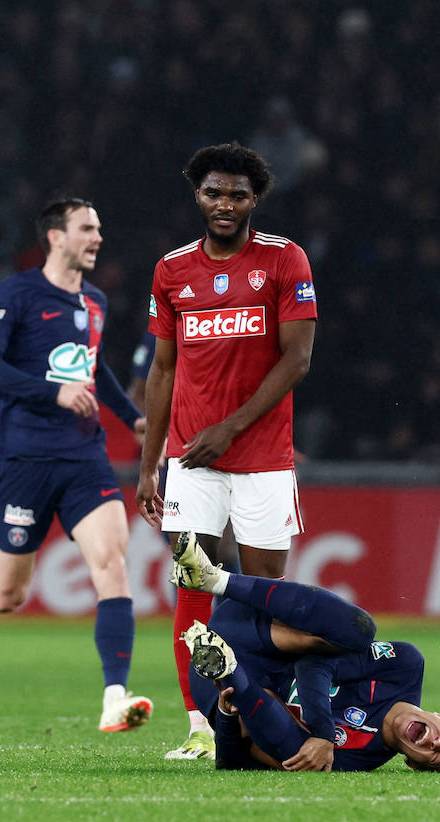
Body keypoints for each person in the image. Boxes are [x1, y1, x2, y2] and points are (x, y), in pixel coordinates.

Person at [0, 197, 154, 733]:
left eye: (99, 229)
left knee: (112, 562)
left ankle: (114, 698)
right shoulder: (18, 292)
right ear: (56, 236)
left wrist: (134, 419)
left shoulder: (95, 302)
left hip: (83, 455)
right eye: (86, 229)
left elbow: (95, 371)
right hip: (25, 455)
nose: (97, 238)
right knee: (7, 594)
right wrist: (52, 393)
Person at [136, 143, 318, 761]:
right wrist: (150, 464)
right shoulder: (171, 271)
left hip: (264, 457)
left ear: (254, 200)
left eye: (237, 194)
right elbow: (162, 371)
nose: (225, 204)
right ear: (197, 195)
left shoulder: (284, 259)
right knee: (193, 580)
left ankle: (270, 714)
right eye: (214, 192)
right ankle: (199, 726)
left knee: (268, 587)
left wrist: (231, 429)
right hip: (190, 463)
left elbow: (298, 359)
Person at [171, 532, 440, 772]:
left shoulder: (361, 758)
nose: (436, 744)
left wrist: (225, 717)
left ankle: (223, 663)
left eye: (435, 757)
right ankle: (214, 580)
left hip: (224, 688)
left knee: (304, 757)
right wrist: (324, 733)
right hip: (253, 630)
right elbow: (314, 665)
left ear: (413, 763)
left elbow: (237, 760)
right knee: (360, 630)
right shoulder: (404, 668)